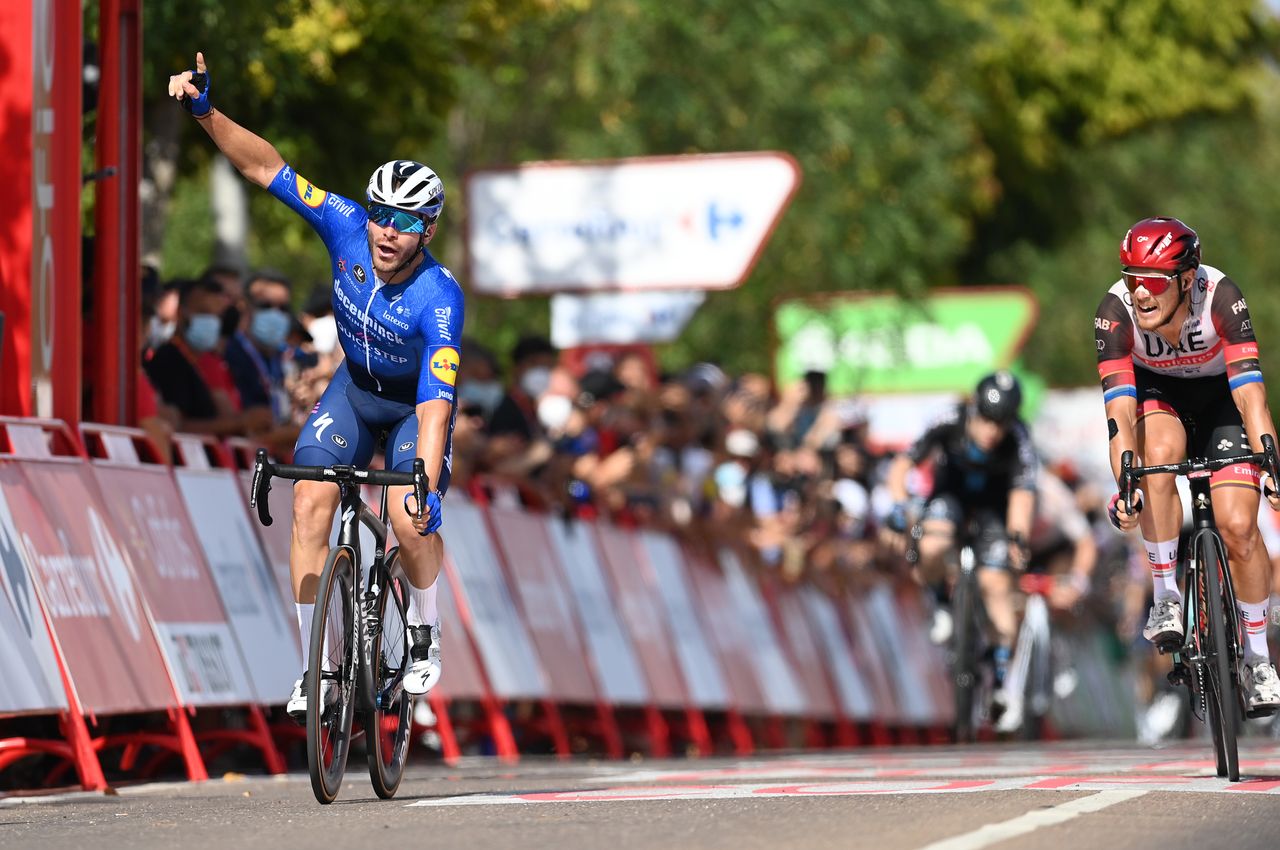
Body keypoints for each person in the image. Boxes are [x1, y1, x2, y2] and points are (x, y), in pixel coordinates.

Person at [169, 53, 462, 719]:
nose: (389, 231)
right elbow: (266, 168)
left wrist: (423, 476)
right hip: (354, 393)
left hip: (414, 408)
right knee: (308, 504)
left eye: (408, 222)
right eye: (384, 213)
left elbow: (437, 399)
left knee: (404, 516)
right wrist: (205, 112)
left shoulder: (439, 297)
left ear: (428, 231)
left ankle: (423, 632)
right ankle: (315, 669)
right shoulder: (344, 224)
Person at [1095, 216, 1280, 713]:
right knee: (1154, 459)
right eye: (1132, 279)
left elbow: (1252, 398)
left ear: (1185, 279)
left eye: (1153, 283)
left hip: (1222, 402)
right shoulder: (1115, 312)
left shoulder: (1221, 297)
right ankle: (1165, 597)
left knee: (1239, 525)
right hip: (1160, 398)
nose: (1141, 294)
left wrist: (1270, 464)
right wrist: (1126, 486)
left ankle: (1259, 660)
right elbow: (1119, 418)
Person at [883, 370, 1037, 706]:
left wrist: (1017, 539)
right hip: (951, 496)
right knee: (933, 543)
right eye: (986, 420)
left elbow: (1022, 495)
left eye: (1002, 423)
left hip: (994, 510)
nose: (992, 431)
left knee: (997, 585)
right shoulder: (949, 418)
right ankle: (941, 601)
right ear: (974, 409)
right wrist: (898, 508)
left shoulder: (1020, 438)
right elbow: (901, 466)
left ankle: (999, 680)